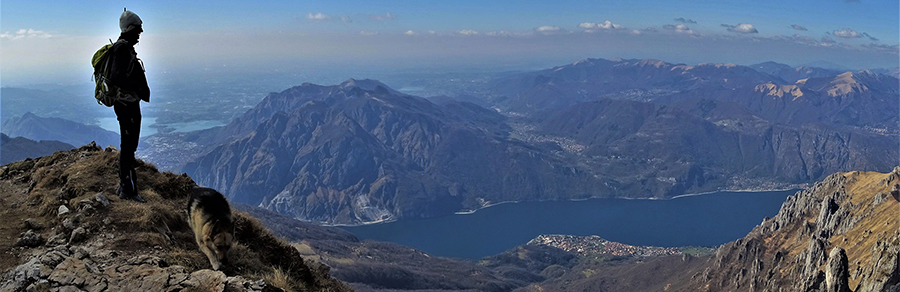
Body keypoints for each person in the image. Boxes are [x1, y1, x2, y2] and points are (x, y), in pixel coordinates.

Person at [108, 8, 150, 203]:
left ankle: (125, 186)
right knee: (129, 145)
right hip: (126, 105)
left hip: (127, 103)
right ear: (129, 29)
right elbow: (116, 76)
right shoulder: (122, 48)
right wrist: (136, 88)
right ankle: (127, 189)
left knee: (129, 145)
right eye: (137, 30)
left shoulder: (123, 48)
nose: (139, 35)